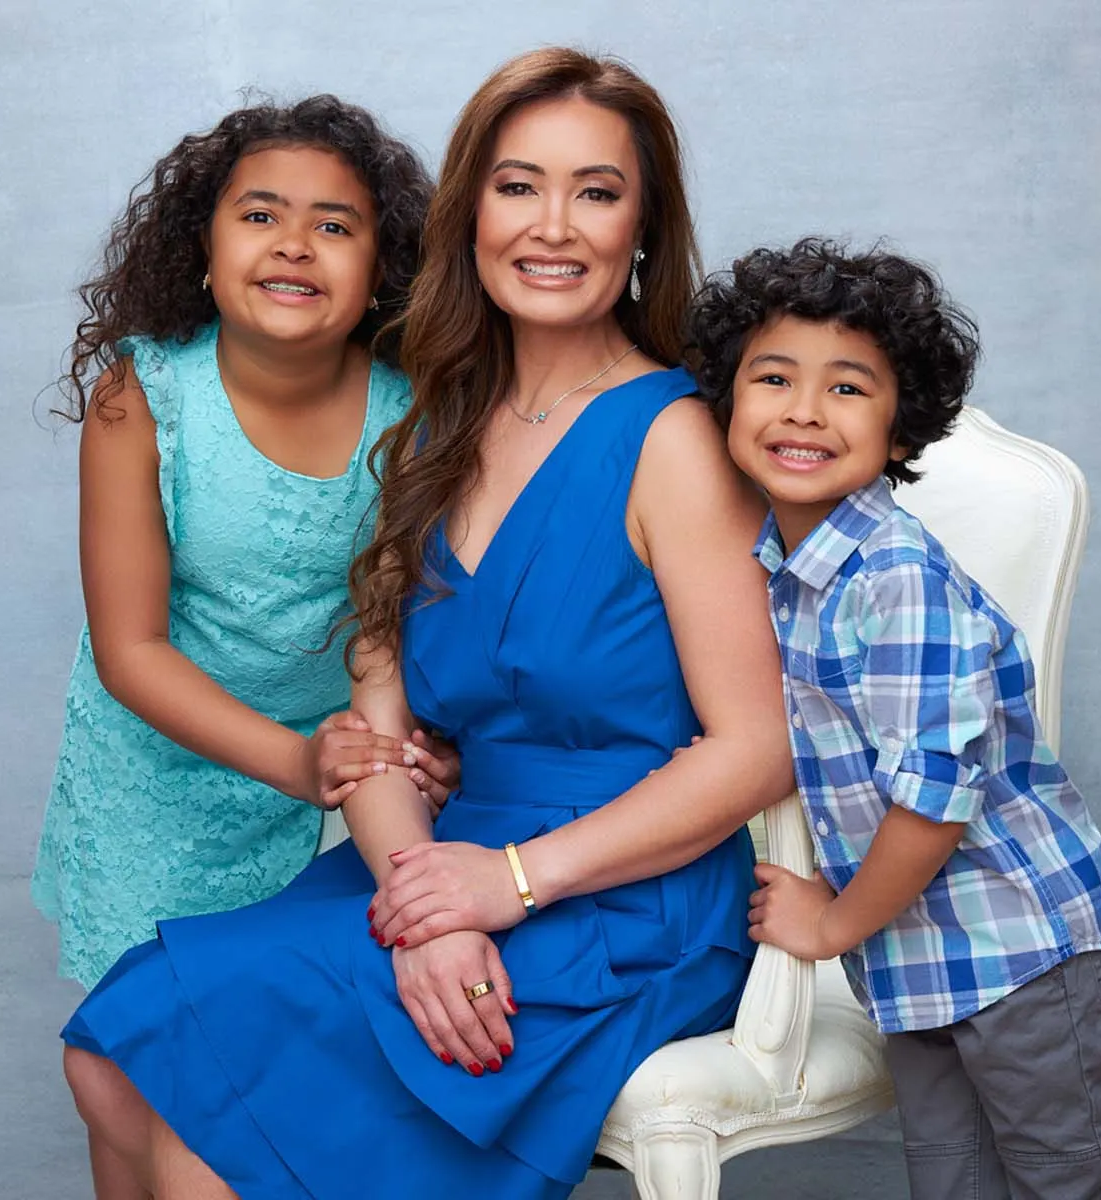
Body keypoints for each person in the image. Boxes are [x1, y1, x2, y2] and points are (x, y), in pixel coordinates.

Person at [60, 48, 796, 1200]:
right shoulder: (431, 426)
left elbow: (755, 749)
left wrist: (508, 885)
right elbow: (381, 727)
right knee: (117, 1056)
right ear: (467, 216)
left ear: (642, 230)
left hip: (619, 892)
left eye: (596, 192)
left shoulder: (674, 441)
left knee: (214, 1134)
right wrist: (425, 899)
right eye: (518, 186)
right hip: (430, 858)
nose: (553, 226)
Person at [29, 94, 458, 1185]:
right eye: (260, 215)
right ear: (203, 249)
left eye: (335, 224)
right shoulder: (147, 396)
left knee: (239, 1061)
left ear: (382, 265)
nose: (294, 245)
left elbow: (378, 633)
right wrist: (291, 761)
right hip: (156, 770)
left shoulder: (407, 415)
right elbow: (130, 651)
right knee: (129, 1055)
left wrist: (370, 755)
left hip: (332, 771)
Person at [691, 238, 1101, 1198]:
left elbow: (937, 800)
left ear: (903, 431)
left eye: (849, 388)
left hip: (1019, 955)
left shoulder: (897, 577)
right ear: (728, 403)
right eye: (773, 377)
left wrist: (830, 922)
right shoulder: (786, 575)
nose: (805, 410)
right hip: (920, 962)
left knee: (1074, 1186)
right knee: (954, 1184)